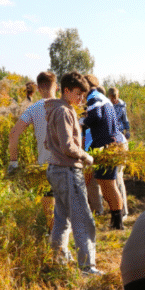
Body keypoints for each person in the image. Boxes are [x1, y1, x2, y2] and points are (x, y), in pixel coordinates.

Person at [44, 71, 101, 276]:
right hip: (68, 170)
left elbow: (48, 142)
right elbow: (68, 146)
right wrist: (86, 156)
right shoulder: (64, 112)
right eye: (78, 94)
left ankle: (58, 260)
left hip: (57, 170)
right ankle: (87, 266)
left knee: (61, 218)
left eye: (83, 95)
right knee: (83, 219)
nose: (81, 99)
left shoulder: (55, 110)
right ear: (66, 90)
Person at [7, 71, 57, 224]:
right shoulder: (66, 106)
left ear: (39, 88)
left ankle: (52, 239)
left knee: (50, 210)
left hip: (45, 167)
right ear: (55, 86)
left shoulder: (34, 108)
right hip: (68, 165)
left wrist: (13, 162)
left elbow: (13, 134)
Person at [82, 75, 127, 229]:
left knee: (109, 184)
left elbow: (95, 116)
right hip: (108, 144)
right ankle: (115, 222)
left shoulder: (93, 98)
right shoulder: (100, 97)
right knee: (105, 183)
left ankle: (118, 223)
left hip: (108, 146)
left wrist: (78, 121)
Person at [108, 86, 130, 216]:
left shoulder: (122, 105)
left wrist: (128, 131)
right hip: (111, 140)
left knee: (118, 175)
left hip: (120, 139)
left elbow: (125, 119)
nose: (114, 100)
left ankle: (123, 211)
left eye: (115, 97)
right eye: (112, 98)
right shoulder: (106, 105)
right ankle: (116, 208)